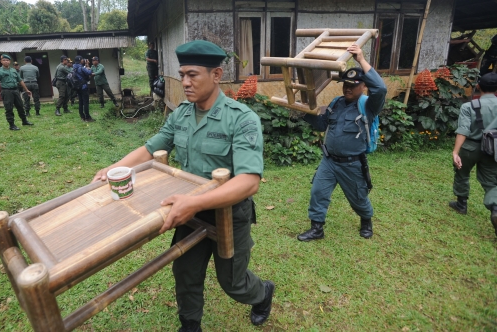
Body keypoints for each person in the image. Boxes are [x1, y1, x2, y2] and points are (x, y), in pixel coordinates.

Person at [92, 40, 275, 331]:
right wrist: (114, 168)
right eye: (182, 75)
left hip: (228, 211)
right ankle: (190, 325)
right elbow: (152, 148)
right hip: (189, 209)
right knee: (185, 272)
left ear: (216, 75)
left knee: (233, 282)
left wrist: (195, 203)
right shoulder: (181, 114)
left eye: (193, 75)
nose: (185, 82)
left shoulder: (241, 119)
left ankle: (263, 293)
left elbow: (249, 182)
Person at [298, 44, 387, 241]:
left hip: (352, 163)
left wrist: (361, 60)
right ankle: (317, 228)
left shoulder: (368, 106)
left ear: (362, 86)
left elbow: (380, 88)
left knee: (358, 199)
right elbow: (322, 125)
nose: (347, 88)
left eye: (353, 85)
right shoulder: (336, 103)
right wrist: (303, 111)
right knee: (318, 192)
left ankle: (366, 219)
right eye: (345, 84)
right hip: (329, 161)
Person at [450, 72, 497, 236]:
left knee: (462, 172)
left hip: (471, 146)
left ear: (478, 87)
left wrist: (456, 152)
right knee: (492, 181)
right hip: (493, 149)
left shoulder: (468, 107)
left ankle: (461, 204)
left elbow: (463, 130)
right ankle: (495, 208)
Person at [0, 54, 34, 131]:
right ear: (1, 61)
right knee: (9, 108)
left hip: (15, 90)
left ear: (10, 61)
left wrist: (26, 89)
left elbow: (20, 80)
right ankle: (11, 125)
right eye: (4, 60)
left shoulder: (13, 70)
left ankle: (24, 121)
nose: (6, 62)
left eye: (7, 60)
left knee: (20, 106)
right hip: (6, 91)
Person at [73, 56, 94, 122]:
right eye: (82, 60)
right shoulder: (81, 67)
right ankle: (87, 117)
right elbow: (89, 72)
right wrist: (87, 65)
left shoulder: (73, 67)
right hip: (83, 87)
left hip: (77, 87)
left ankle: (82, 117)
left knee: (80, 102)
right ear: (80, 60)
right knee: (86, 102)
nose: (83, 60)